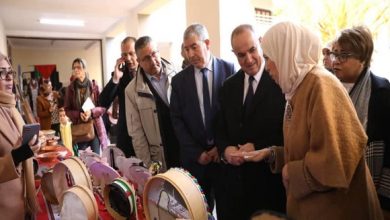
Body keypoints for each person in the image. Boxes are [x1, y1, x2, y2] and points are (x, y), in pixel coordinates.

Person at [243, 21, 383, 219]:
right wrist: (272, 154)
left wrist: (292, 172)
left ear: (286, 53)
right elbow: (307, 148)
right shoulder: (297, 87)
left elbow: (338, 161)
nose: (266, 67)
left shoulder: (320, 85)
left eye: (268, 57)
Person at [216, 24, 286, 219]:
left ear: (261, 43)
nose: (248, 59)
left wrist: (257, 147)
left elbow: (287, 132)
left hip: (269, 188)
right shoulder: (228, 86)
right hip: (235, 191)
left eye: (252, 50)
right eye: (240, 55)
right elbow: (220, 129)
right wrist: (226, 150)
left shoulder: (281, 81)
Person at [170, 23, 235, 218]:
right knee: (198, 212)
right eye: (186, 49)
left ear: (207, 43)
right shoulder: (179, 81)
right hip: (195, 162)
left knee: (227, 209)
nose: (189, 54)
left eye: (194, 47)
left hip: (224, 159)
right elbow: (177, 120)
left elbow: (233, 116)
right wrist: (197, 153)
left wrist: (220, 147)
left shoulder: (229, 69)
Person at [331, 26, 390, 215]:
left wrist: (385, 201)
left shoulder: (382, 92)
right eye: (334, 54)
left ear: (363, 59)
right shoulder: (327, 86)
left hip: (371, 188)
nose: (335, 61)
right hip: (334, 187)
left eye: (344, 55)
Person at [125, 36, 180, 171]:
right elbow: (137, 134)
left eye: (154, 54)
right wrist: (149, 167)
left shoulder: (178, 74)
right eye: (146, 58)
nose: (153, 60)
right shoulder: (132, 91)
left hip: (184, 148)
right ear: (139, 61)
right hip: (160, 156)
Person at [0, 52, 40, 219]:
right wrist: (18, 156)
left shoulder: (12, 107)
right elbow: (15, 154)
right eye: (2, 72)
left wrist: (31, 153)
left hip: (23, 206)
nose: (9, 77)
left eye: (10, 71)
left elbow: (20, 149)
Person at [99, 36, 138, 157]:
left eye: (131, 53)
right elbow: (103, 102)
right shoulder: (119, 75)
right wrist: (115, 79)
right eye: (124, 55)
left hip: (146, 134)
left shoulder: (146, 72)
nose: (128, 58)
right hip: (126, 134)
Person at [64, 58, 107, 154]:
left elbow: (102, 107)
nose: (76, 70)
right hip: (79, 129)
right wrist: (79, 114)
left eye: (78, 67)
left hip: (94, 127)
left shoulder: (94, 86)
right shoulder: (70, 89)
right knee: (83, 160)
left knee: (96, 159)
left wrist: (91, 113)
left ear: (85, 69)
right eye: (74, 68)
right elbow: (67, 110)